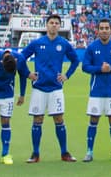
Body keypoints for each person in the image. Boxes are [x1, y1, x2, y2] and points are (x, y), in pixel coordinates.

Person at [18, 13, 80, 163]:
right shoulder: (37, 43)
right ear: (46, 25)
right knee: (37, 120)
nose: (53, 25)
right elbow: (20, 58)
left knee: (59, 119)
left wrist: (67, 75)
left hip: (56, 88)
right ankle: (35, 153)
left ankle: (64, 152)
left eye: (56, 23)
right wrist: (28, 74)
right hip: (39, 88)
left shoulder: (63, 44)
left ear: (59, 26)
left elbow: (75, 60)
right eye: (51, 22)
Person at [81, 19, 111, 162]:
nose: (104, 30)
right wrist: (99, 69)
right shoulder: (92, 47)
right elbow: (85, 67)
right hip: (96, 91)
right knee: (93, 119)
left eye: (107, 28)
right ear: (97, 30)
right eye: (101, 28)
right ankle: (89, 151)